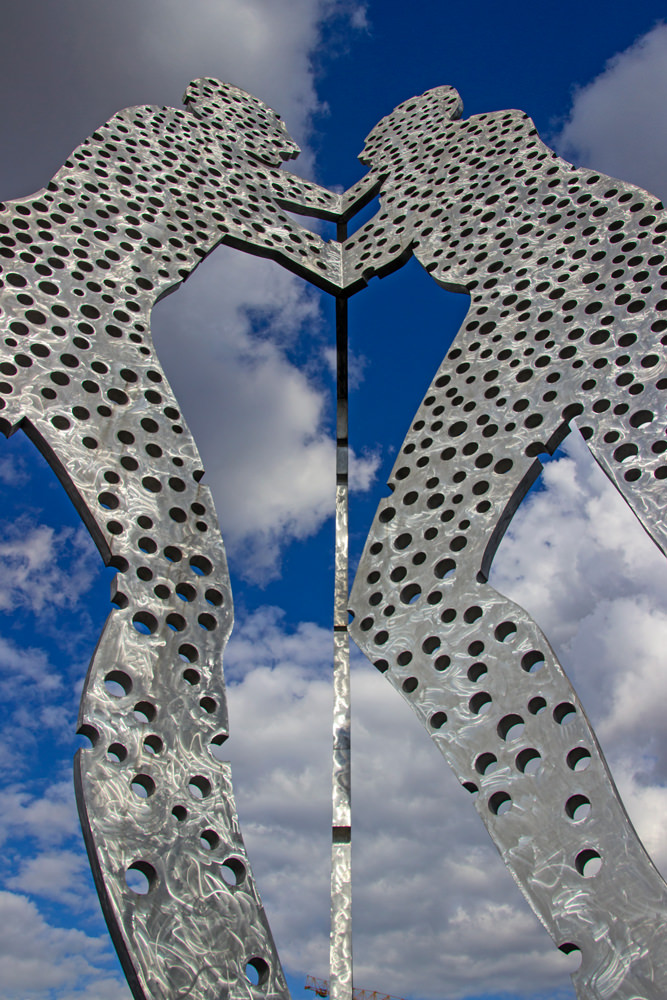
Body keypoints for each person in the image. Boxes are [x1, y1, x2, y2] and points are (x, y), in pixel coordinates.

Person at [0, 77, 347, 1000]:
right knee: (181, 584)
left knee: (180, 581)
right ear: (225, 124)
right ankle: (194, 916)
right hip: (71, 318)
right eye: (266, 134)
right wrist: (365, 203)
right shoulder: (185, 154)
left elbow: (286, 203)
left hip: (48, 285)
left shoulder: (154, 141)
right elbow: (318, 239)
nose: (278, 149)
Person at [344, 86, 667, 999]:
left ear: (412, 137)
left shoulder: (446, 171)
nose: (369, 169)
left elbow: (349, 252)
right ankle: (627, 933)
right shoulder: (496, 154)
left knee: (404, 594)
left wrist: (278, 207)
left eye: (379, 149)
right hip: (581, 283)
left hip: (560, 298)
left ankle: (624, 931)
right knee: (405, 596)